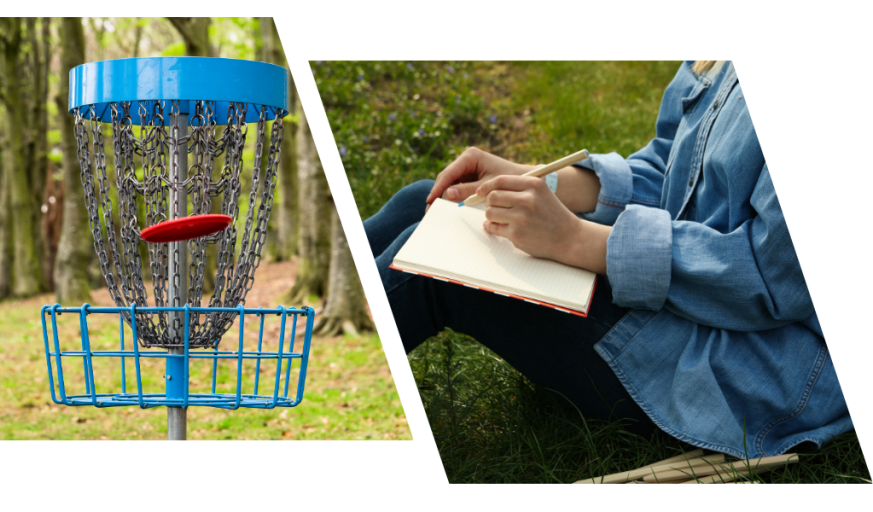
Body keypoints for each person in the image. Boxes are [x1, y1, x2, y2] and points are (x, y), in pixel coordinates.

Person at [363, 61, 851, 458]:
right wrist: (543, 181)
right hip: (691, 298)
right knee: (428, 205)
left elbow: (772, 276)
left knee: (433, 271)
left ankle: (326, 380)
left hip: (749, 359)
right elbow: (671, 166)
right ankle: (325, 324)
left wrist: (574, 240)